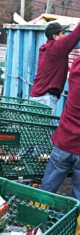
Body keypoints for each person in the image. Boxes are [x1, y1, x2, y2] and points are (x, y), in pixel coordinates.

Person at [40, 55, 80, 201]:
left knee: (47, 188)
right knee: (78, 198)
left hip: (65, 141)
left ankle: (37, 216)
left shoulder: (77, 65)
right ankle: (75, 223)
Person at [30, 22, 80, 115]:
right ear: (55, 36)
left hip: (39, 96)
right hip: (46, 98)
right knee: (45, 128)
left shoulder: (46, 48)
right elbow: (76, 34)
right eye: (63, 33)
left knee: (38, 128)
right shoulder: (57, 48)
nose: (65, 36)